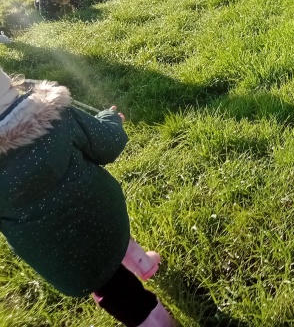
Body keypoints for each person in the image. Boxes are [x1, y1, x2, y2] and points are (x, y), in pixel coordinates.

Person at [0, 69, 175, 326]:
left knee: (116, 290)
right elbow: (108, 143)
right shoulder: (55, 115)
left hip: (60, 252)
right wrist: (110, 118)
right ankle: (145, 268)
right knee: (108, 235)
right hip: (102, 210)